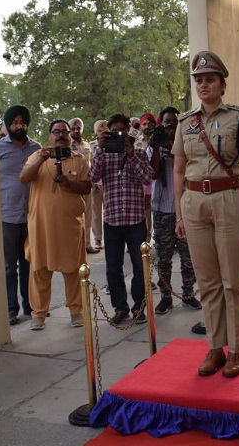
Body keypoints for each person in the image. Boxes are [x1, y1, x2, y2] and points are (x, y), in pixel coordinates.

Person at [173, 50, 239, 379]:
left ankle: (236, 350)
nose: (203, 84)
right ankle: (215, 347)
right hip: (194, 204)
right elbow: (178, 170)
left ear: (223, 84)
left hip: (229, 199)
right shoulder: (186, 122)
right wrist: (178, 214)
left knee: (232, 282)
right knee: (207, 282)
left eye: (210, 79)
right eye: (199, 80)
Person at [20, 119, 92, 331]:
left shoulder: (79, 160)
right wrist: (40, 160)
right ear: (49, 136)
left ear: (70, 136)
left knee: (72, 269)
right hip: (41, 226)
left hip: (69, 226)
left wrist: (69, 184)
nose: (61, 135)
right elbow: (23, 178)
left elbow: (87, 188)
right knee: (39, 269)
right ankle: (38, 314)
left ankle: (76, 311)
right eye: (56, 132)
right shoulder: (37, 156)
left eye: (64, 132)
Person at [90, 113, 153, 324]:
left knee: (139, 266)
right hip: (113, 222)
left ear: (129, 131)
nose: (119, 135)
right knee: (113, 268)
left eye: (122, 131)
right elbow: (92, 177)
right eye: (113, 132)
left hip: (135, 219)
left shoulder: (139, 154)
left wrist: (131, 154)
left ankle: (139, 307)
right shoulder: (103, 154)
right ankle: (120, 308)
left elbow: (147, 179)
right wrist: (100, 149)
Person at [149, 107, 201, 314]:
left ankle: (188, 294)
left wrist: (173, 144)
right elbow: (153, 174)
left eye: (174, 123)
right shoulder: (154, 146)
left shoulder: (187, 144)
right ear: (161, 124)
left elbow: (189, 169)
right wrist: (155, 146)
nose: (169, 126)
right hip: (162, 209)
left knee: (189, 257)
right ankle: (166, 297)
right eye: (167, 122)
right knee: (163, 257)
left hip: (186, 208)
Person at [0, 105, 42, 325]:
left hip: (31, 214)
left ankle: (31, 306)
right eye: (14, 122)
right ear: (8, 125)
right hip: (6, 215)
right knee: (8, 266)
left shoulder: (36, 148)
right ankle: (10, 310)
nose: (19, 125)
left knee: (29, 264)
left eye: (22, 122)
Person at [69, 118, 99, 254]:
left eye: (78, 128)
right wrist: (74, 176)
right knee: (73, 216)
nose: (76, 131)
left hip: (88, 184)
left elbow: (92, 163)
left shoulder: (87, 145)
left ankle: (87, 244)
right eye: (73, 128)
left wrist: (95, 182)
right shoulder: (66, 146)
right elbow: (66, 167)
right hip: (73, 185)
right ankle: (74, 246)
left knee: (88, 215)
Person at [90, 120, 108, 249]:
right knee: (96, 212)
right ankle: (97, 239)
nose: (102, 132)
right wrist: (93, 183)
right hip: (96, 184)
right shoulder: (91, 146)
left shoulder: (113, 144)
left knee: (108, 211)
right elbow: (90, 165)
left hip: (108, 183)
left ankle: (109, 238)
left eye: (105, 130)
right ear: (96, 132)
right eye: (99, 131)